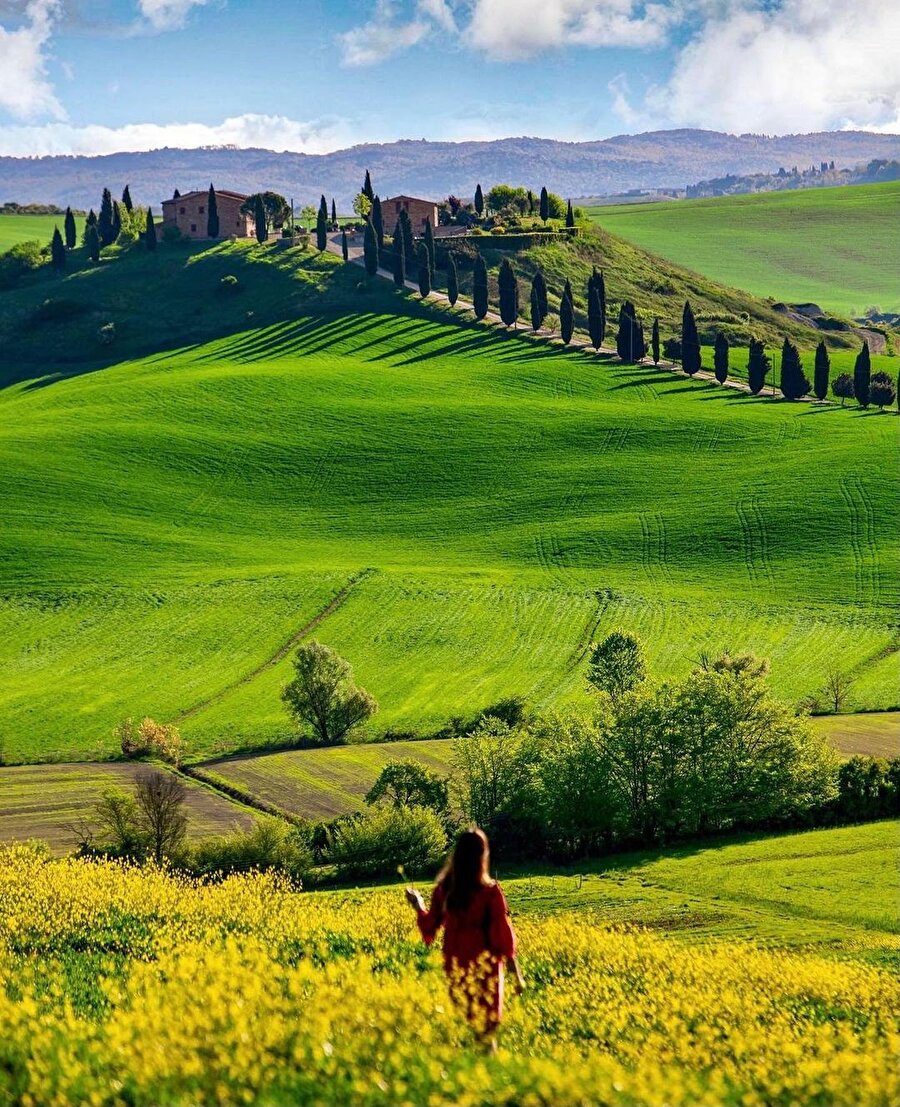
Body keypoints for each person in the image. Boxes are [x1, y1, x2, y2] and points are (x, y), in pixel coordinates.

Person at [406, 827, 524, 1043]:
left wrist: (417, 904)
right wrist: (517, 975)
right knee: (486, 1033)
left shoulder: (445, 890)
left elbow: (429, 926)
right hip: (485, 968)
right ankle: (485, 1070)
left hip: (456, 965)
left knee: (463, 1027)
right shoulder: (490, 892)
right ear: (483, 856)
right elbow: (503, 938)